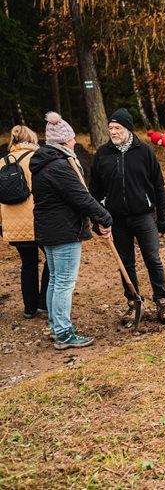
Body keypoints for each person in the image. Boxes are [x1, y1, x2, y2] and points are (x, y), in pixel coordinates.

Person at [30, 115, 112, 349]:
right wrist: (105, 217)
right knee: (64, 282)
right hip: (63, 231)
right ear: (64, 141)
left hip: (50, 230)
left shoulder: (43, 162)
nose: (75, 142)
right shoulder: (59, 166)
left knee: (56, 280)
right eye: (72, 139)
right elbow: (81, 198)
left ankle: (57, 326)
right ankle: (64, 333)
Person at [89, 108, 165, 326]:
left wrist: (162, 217)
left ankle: (162, 302)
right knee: (125, 263)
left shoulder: (144, 151)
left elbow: (157, 185)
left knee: (152, 258)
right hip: (116, 219)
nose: (113, 132)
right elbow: (95, 191)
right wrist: (96, 219)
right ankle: (133, 303)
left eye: (117, 128)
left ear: (128, 129)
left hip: (143, 216)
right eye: (110, 128)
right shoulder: (103, 154)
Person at [0, 125, 50, 319]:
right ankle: (44, 303)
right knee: (51, 262)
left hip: (13, 225)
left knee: (27, 264)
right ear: (32, 139)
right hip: (38, 220)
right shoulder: (37, 160)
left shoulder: (2, 162)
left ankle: (29, 308)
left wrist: (2, 225)